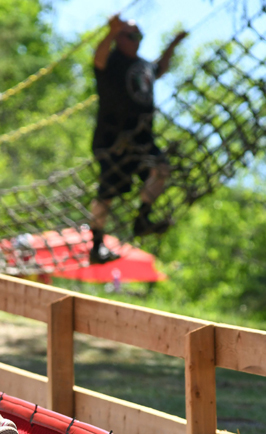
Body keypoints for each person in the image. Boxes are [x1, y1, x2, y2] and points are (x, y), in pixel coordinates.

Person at [88, 15, 188, 264]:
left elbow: (160, 69)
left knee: (161, 169)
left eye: (138, 36)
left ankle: (143, 219)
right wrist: (111, 32)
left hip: (142, 139)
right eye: (130, 35)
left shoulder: (143, 65)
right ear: (120, 38)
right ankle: (97, 244)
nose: (136, 41)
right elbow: (97, 58)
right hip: (113, 139)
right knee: (107, 191)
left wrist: (174, 44)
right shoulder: (112, 61)